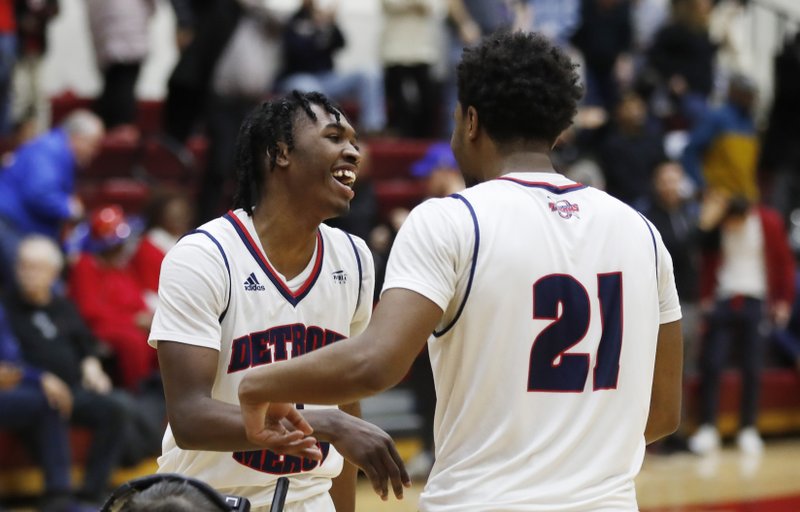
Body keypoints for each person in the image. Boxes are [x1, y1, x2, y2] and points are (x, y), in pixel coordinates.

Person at [237, 31, 684, 510]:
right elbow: (661, 414)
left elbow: (375, 363)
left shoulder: (451, 220)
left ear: (471, 121)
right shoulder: (643, 233)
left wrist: (257, 383)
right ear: (558, 131)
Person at [148, 90, 408, 511]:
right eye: (335, 137)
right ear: (280, 153)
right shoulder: (204, 257)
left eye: (354, 142)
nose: (353, 153)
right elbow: (189, 417)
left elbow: (346, 403)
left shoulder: (355, 258)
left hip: (310, 499)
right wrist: (326, 424)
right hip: (208, 500)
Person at [7, 235, 142, 504]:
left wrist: (92, 365)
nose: (28, 274)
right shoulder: (6, 308)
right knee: (46, 404)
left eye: (36, 267)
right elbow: (8, 359)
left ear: (53, 273)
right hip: (33, 392)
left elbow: (86, 342)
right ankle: (57, 495)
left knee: (118, 406)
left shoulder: (63, 307)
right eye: (23, 266)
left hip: (74, 390)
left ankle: (93, 490)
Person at [688, 193, 796, 455]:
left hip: (755, 300)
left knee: (752, 367)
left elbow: (784, 263)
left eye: (734, 221)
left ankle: (748, 428)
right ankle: (708, 427)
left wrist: (783, 300)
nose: (730, 227)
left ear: (745, 215)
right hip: (723, 299)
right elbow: (703, 258)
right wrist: (705, 296)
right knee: (712, 363)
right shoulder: (717, 226)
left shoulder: (768, 222)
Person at [0, 109, 104, 287]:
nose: (94, 152)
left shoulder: (54, 149)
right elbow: (39, 194)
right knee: (44, 289)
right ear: (78, 137)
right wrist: (69, 208)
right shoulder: (49, 151)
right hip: (10, 227)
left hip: (20, 229)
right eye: (93, 145)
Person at [69, 205, 158, 391]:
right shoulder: (85, 266)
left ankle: (160, 391)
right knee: (133, 342)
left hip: (129, 323)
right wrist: (132, 320)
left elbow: (137, 298)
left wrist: (146, 316)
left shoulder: (121, 266)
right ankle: (138, 392)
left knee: (161, 335)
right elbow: (89, 311)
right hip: (101, 325)